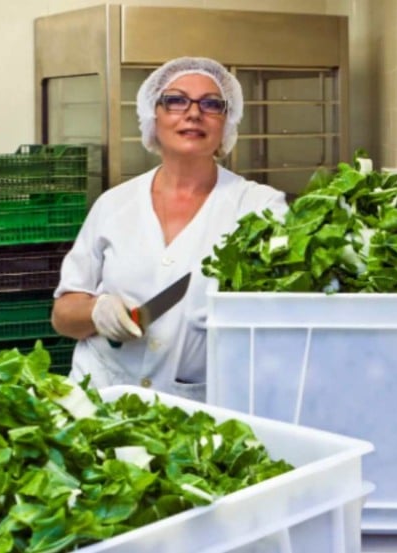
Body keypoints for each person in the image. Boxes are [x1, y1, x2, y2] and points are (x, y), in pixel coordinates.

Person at [51, 56, 287, 401]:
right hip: (100, 398)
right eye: (175, 100)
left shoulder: (260, 208)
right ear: (153, 117)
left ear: (227, 122)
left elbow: (284, 314)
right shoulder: (114, 205)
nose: (193, 113)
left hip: (201, 406)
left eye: (211, 104)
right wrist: (97, 311)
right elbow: (62, 316)